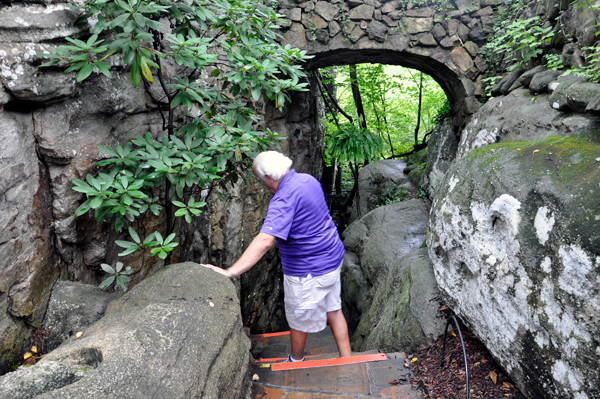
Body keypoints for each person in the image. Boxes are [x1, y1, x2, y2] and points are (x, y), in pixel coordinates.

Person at [202, 150, 352, 361]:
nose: (262, 184)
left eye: (260, 179)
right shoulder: (307, 180)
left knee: (298, 320)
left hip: (307, 270)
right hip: (332, 257)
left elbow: (265, 241)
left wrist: (230, 272)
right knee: (334, 309)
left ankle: (296, 360)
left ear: (270, 178)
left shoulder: (283, 199)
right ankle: (348, 359)